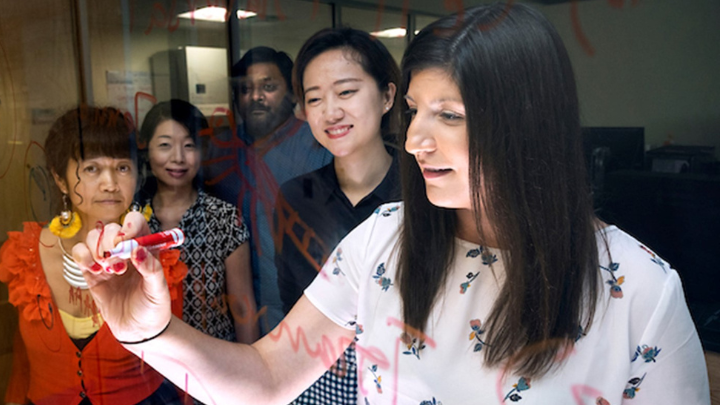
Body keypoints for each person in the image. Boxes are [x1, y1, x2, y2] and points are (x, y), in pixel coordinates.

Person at [73, 4, 710, 404]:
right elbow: (266, 381)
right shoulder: (384, 242)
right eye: (415, 111)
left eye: (449, 115)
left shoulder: (638, 293)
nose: (414, 139)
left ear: (529, 124)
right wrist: (148, 332)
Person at [0, 106, 186, 405]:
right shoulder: (24, 255)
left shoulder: (153, 258)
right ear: (60, 180)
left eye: (122, 167)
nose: (110, 183)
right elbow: (21, 360)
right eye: (91, 169)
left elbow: (178, 358)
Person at [273, 27, 402, 404]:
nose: (331, 112)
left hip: (403, 380)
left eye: (346, 92)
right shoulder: (296, 198)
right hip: (319, 381)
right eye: (314, 99)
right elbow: (292, 306)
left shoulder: (426, 192)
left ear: (387, 96)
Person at [203, 46, 332, 331]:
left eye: (269, 87)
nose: (256, 97)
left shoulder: (319, 145)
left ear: (291, 93)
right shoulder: (220, 150)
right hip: (236, 309)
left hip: (308, 307)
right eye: (245, 89)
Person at [139, 99, 259, 344]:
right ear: (146, 151)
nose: (178, 157)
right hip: (146, 365)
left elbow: (243, 309)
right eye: (165, 145)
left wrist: (250, 370)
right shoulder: (132, 218)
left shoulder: (224, 219)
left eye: (190, 145)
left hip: (213, 365)